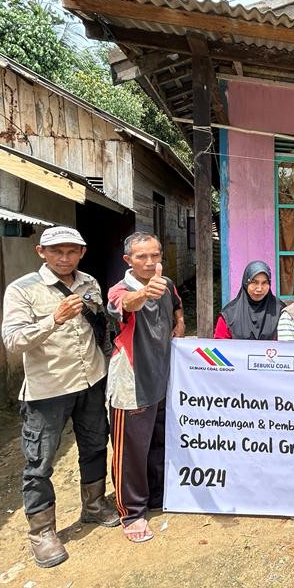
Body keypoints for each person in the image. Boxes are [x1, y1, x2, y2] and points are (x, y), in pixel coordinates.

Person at [2, 225, 119, 568]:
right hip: (47, 390)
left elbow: (100, 327)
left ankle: (94, 505)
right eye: (57, 251)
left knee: (96, 445)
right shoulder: (22, 290)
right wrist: (53, 320)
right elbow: (13, 341)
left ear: (82, 253)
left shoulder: (90, 284)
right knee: (40, 461)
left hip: (91, 380)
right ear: (41, 252)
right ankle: (42, 531)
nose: (64, 258)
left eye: (71, 251)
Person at [106, 232, 184, 544]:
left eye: (155, 256)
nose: (150, 263)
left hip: (162, 376)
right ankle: (132, 512)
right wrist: (144, 294)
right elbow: (124, 306)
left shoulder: (167, 284)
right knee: (131, 451)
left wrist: (179, 323)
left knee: (157, 442)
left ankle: (157, 495)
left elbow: (176, 306)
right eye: (142, 257)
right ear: (128, 261)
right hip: (132, 380)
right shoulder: (120, 290)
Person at [215, 261, 281, 340]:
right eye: (254, 282)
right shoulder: (229, 315)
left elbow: (289, 346)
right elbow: (220, 347)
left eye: (264, 283)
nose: (259, 289)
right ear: (245, 283)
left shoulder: (280, 311)